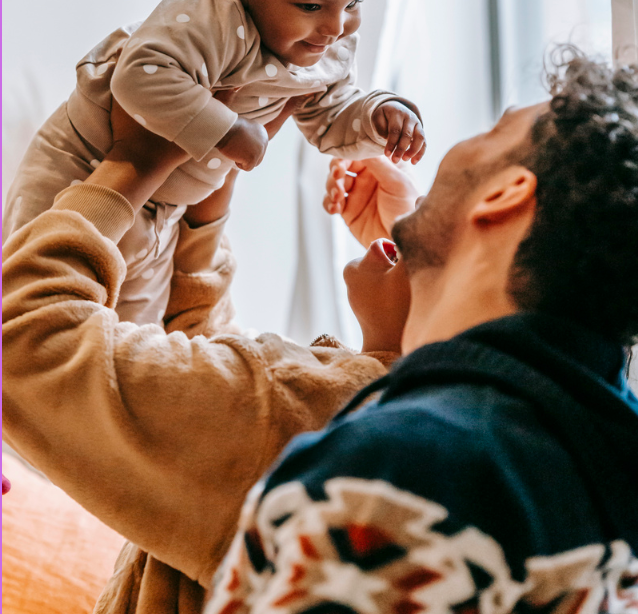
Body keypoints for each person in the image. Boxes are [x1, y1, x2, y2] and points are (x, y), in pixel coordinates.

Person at [205, 52, 638, 614]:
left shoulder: (395, 482)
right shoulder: (601, 471)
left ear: (506, 193)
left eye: (493, 131)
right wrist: (437, 263)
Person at [2, 100, 414, 614]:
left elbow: (24, 339)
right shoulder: (392, 416)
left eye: (441, 208)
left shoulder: (320, 419)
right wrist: (211, 198)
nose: (415, 217)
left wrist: (135, 162)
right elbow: (210, 376)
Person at [2, 0, 424, 326]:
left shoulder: (326, 43)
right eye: (309, 5)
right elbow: (139, 75)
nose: (335, 26)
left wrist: (378, 114)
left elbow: (329, 117)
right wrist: (229, 128)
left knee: (127, 343)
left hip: (170, 213)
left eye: (355, 3)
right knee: (32, 308)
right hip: (83, 169)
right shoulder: (210, 17)